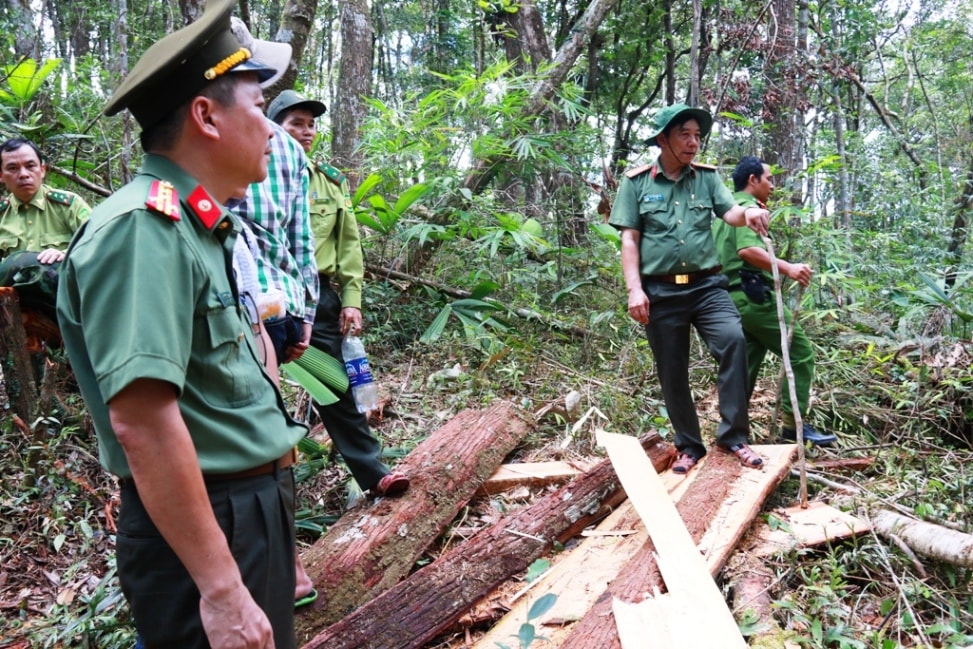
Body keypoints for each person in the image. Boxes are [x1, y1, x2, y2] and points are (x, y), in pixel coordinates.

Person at [56, 1, 304, 647]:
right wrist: (222, 589)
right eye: (258, 107)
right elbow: (141, 420)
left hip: (244, 511)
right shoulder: (143, 231)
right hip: (208, 525)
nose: (273, 130)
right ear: (206, 115)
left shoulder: (201, 226)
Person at [608, 103, 770, 475]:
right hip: (661, 292)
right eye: (685, 134)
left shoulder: (708, 178)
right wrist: (635, 290)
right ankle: (689, 446)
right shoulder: (636, 184)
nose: (694, 142)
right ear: (663, 139)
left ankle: (733, 437)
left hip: (707, 286)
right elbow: (630, 240)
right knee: (672, 368)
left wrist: (749, 213)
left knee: (733, 341)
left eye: (698, 135)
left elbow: (730, 213)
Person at [267, 89, 409, 498]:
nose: (307, 132)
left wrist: (351, 300)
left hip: (317, 298)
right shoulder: (250, 176)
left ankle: (374, 473)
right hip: (262, 296)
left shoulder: (328, 183)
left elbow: (348, 246)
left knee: (335, 385)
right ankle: (267, 484)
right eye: (296, 123)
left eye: (311, 125)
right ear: (273, 126)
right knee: (259, 382)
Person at [712, 156, 837, 446]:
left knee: (746, 365)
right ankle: (794, 428)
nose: (772, 185)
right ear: (752, 180)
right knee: (801, 353)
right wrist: (789, 267)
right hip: (752, 297)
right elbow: (747, 250)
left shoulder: (726, 211)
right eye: (768, 179)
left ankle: (732, 435)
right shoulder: (748, 209)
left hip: (731, 299)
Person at [228, 17, 317, 366]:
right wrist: (305, 311)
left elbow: (301, 236)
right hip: (278, 304)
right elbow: (301, 240)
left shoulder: (288, 151)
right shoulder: (290, 149)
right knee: (261, 406)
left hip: (251, 307)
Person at [0, 138, 90, 318]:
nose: (24, 174)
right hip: (16, 309)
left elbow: (102, 241)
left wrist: (67, 254)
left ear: (42, 170)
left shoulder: (68, 205)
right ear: (1, 176)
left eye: (30, 166)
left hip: (67, 303)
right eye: (13, 168)